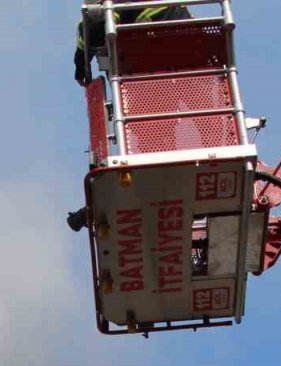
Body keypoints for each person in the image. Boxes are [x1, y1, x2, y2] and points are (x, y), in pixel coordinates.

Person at [68, 5, 193, 232]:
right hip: (181, 49)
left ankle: (150, 193)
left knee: (149, 133)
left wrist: (80, 60)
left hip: (144, 57)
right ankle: (166, 188)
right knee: (166, 130)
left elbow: (97, 18)